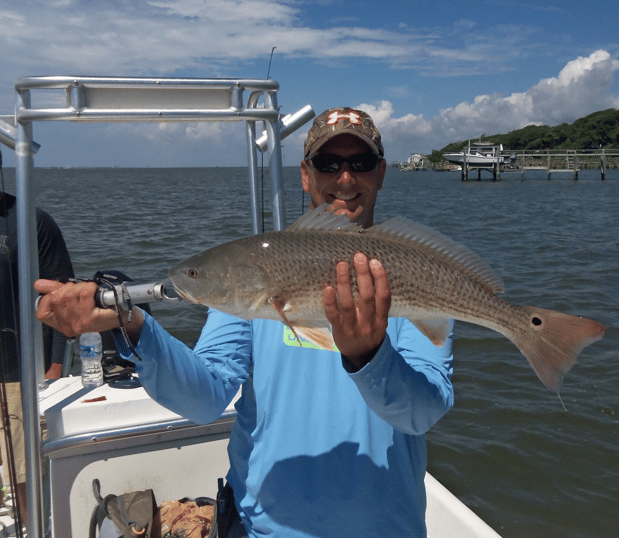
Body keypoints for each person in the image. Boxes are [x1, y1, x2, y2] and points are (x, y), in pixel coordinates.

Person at [35, 108, 455, 537]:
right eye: (328, 164)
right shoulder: (257, 278)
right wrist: (132, 325)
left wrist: (368, 355)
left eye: (360, 163)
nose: (344, 179)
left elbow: (423, 412)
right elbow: (205, 397)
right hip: (264, 529)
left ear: (381, 173)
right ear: (306, 175)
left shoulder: (409, 277)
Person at [0, 148, 75, 527]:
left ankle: (33, 531)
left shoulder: (31, 221)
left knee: (23, 472)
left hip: (18, 373)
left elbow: (63, 296)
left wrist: (57, 363)